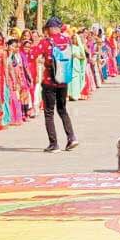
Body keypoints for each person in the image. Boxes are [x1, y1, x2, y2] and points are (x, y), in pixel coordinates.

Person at [33, 17, 79, 153]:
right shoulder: (67, 40)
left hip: (49, 82)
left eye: (47, 28)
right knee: (62, 109)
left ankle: (54, 144)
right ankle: (71, 138)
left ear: (50, 29)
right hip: (63, 81)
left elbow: (32, 55)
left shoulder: (46, 42)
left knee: (49, 113)